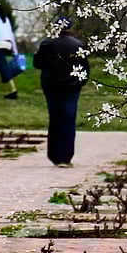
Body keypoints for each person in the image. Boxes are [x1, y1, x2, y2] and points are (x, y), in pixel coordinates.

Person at [35, 16, 89, 166]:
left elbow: (37, 63)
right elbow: (85, 68)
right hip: (71, 87)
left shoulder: (47, 43)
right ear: (70, 28)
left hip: (51, 86)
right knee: (68, 119)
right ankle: (65, 156)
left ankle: (54, 154)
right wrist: (80, 82)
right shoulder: (78, 45)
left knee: (55, 118)